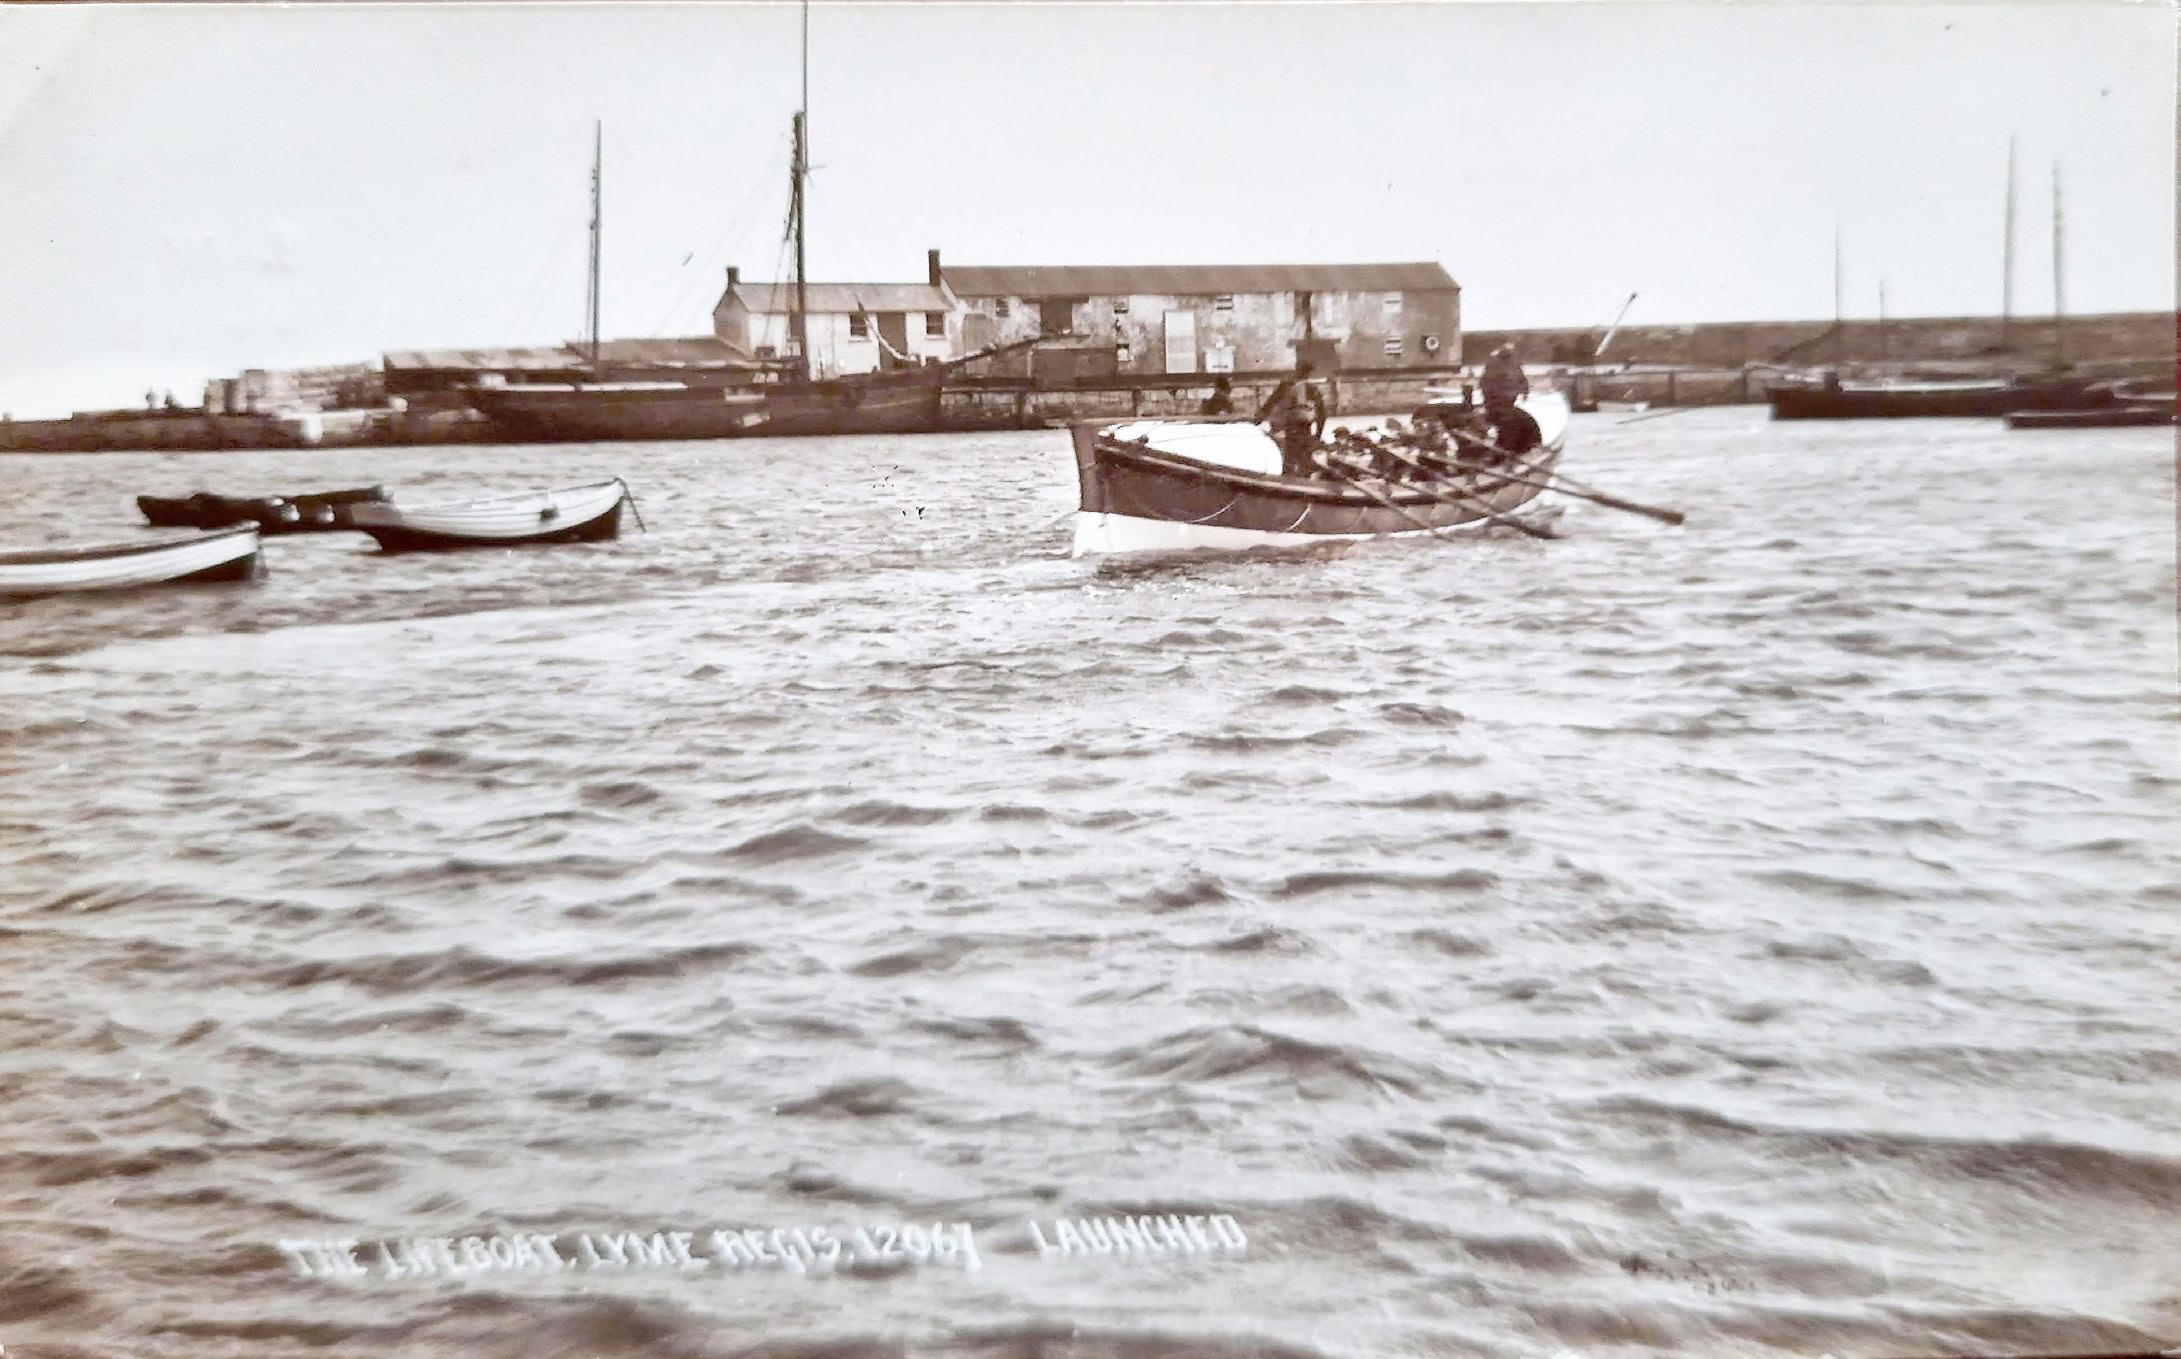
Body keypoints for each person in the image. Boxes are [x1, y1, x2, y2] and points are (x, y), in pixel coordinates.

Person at [1258, 359, 1328, 477]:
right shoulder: (1312, 388)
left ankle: (1291, 476)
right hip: (1301, 428)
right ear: (1309, 373)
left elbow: (1272, 402)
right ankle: (1301, 476)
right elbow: (1321, 414)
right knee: (1301, 456)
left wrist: (1259, 419)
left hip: (1290, 427)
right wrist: (1318, 434)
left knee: (1290, 456)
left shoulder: (1288, 385)